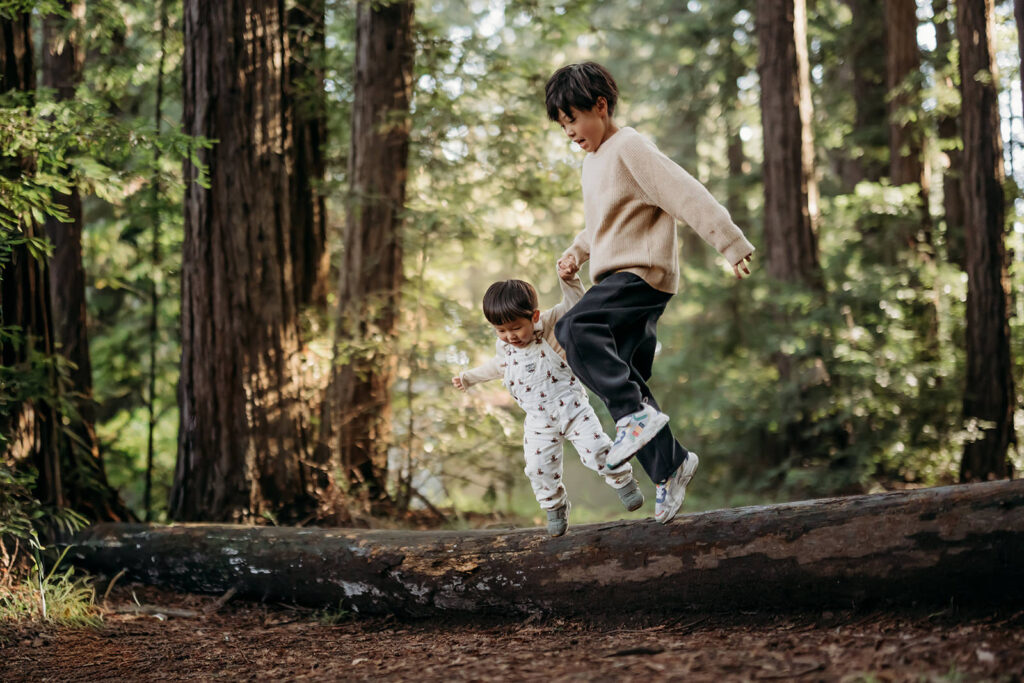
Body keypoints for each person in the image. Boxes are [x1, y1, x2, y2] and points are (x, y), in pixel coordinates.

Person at [545, 61, 755, 524]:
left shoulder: (630, 146)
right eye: (562, 125)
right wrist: (577, 252)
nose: (569, 132)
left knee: (573, 328)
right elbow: (603, 222)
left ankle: (632, 420)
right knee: (626, 379)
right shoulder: (594, 161)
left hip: (640, 275)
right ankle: (671, 466)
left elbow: (684, 192)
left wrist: (729, 242)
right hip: (617, 279)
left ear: (600, 105)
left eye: (573, 119)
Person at [452, 273, 643, 537]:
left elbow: (577, 303)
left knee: (597, 449)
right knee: (537, 466)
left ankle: (623, 481)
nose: (510, 336)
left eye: (515, 328)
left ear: (534, 316)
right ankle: (554, 506)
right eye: (501, 330)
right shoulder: (505, 349)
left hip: (573, 409)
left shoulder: (551, 325)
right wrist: (469, 377)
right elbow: (497, 368)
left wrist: (569, 279)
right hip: (538, 420)